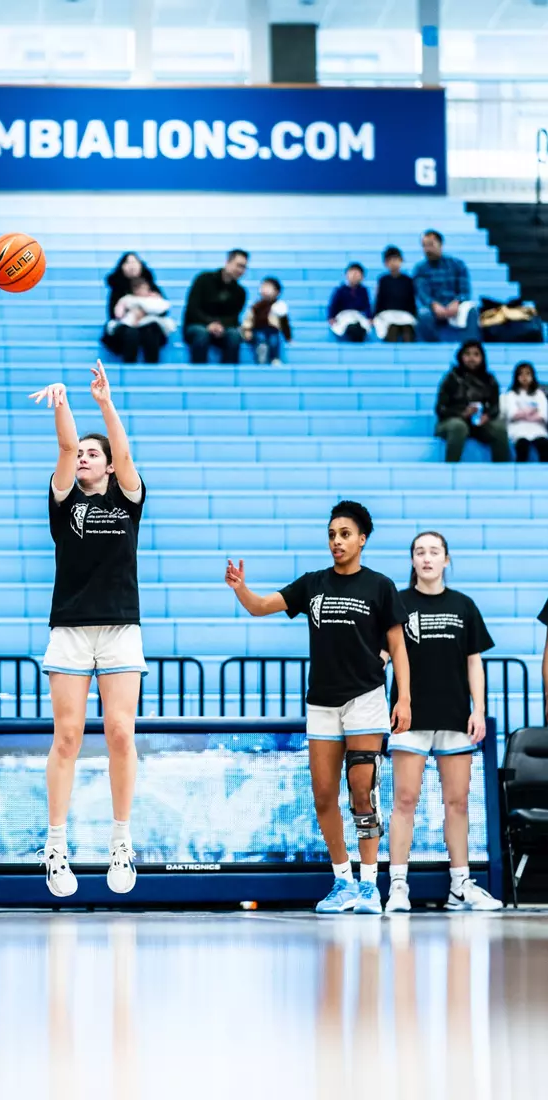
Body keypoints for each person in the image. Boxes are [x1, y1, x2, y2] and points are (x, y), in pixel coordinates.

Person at [225, 500, 411, 915]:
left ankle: (368, 885)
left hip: (365, 700)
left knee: (362, 792)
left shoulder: (380, 586)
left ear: (362, 539)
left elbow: (397, 645)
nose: (337, 542)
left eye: (345, 534)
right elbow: (260, 607)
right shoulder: (313, 583)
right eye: (331, 535)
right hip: (322, 704)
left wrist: (404, 697)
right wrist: (240, 588)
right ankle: (341, 880)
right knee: (324, 794)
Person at [29, 360, 147, 898]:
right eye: (82, 453)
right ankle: (55, 847)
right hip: (71, 628)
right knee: (69, 736)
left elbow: (122, 455)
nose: (84, 458)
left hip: (120, 628)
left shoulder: (127, 497)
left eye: (91, 454)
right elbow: (63, 449)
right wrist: (63, 406)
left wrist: (104, 403)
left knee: (121, 733)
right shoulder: (64, 499)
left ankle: (121, 842)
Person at [383, 531, 502, 913]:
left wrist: (478, 708)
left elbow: (474, 662)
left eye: (434, 552)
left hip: (454, 718)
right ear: (413, 560)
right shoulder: (397, 603)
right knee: (405, 800)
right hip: (409, 718)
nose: (427, 558)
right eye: (420, 552)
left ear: (446, 560)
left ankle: (459, 886)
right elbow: (382, 656)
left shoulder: (464, 605)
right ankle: (398, 886)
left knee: (458, 802)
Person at [435, 340, 510, 463]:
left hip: (479, 423)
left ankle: (501, 471)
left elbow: (495, 406)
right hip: (451, 422)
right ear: (461, 356)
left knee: (499, 429)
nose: (472, 358)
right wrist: (462, 414)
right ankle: (450, 469)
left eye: (476, 354)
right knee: (458, 427)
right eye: (467, 354)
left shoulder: (489, 379)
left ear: (482, 357)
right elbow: (440, 408)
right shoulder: (451, 378)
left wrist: (487, 416)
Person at [412, 230, 480, 343]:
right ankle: (432, 350)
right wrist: (434, 305)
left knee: (471, 311)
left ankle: (470, 348)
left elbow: (465, 291)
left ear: (441, 244)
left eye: (431, 245)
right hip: (433, 309)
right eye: (424, 246)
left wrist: (457, 302)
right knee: (423, 315)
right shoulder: (420, 269)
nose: (427, 249)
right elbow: (423, 294)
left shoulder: (457, 265)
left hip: (456, 306)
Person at [182, 249, 248, 364]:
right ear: (228, 262)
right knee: (201, 334)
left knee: (234, 336)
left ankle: (229, 377)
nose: (241, 270)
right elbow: (192, 309)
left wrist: (219, 326)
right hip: (197, 325)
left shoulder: (240, 292)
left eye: (244, 267)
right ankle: (197, 375)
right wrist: (210, 324)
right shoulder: (203, 279)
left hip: (223, 329)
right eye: (239, 266)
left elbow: (233, 317)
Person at [101, 252, 168, 364]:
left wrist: (144, 312)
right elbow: (113, 314)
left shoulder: (151, 286)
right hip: (126, 325)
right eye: (128, 263)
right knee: (131, 333)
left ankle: (152, 364)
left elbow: (163, 310)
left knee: (151, 330)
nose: (132, 266)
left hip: (147, 322)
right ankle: (129, 363)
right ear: (122, 267)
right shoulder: (117, 288)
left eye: (135, 262)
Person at [500, 361, 548, 463]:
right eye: (521, 374)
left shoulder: (539, 394)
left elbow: (543, 414)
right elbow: (512, 414)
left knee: (544, 445)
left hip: (537, 428)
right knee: (522, 446)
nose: (524, 377)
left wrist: (523, 413)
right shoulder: (511, 394)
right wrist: (531, 412)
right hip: (518, 429)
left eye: (528, 373)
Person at [241, 276, 292, 365]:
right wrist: (247, 330)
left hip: (273, 330)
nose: (264, 290)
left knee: (274, 340)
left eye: (268, 287)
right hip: (258, 329)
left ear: (277, 292)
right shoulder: (256, 306)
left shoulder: (279, 306)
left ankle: (275, 358)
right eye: (262, 287)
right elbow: (249, 319)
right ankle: (261, 358)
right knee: (261, 340)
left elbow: (284, 323)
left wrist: (288, 337)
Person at [373, 246, 417, 343]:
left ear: (401, 261)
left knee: (407, 329)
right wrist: (374, 315)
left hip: (404, 314)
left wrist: (413, 315)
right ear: (386, 263)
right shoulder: (383, 280)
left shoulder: (408, 280)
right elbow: (379, 300)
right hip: (388, 314)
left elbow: (411, 300)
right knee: (392, 328)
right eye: (390, 260)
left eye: (396, 260)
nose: (393, 263)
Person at [327, 263, 372, 342]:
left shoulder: (363, 290)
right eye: (352, 273)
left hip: (358, 315)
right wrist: (331, 317)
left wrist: (369, 317)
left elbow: (367, 305)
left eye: (357, 273)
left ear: (362, 277)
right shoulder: (340, 290)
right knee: (345, 325)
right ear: (346, 275)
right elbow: (333, 305)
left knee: (362, 325)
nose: (354, 275)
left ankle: (357, 331)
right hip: (344, 315)